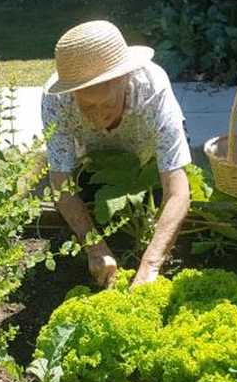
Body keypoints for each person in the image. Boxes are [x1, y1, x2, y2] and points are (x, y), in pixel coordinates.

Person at [41, 20, 192, 289]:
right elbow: (60, 183)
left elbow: (178, 189)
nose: (98, 115)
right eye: (87, 106)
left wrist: (150, 266)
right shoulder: (57, 99)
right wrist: (94, 247)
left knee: (161, 199)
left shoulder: (153, 88)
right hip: (95, 161)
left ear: (125, 78)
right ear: (73, 93)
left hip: (147, 160)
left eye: (107, 103)